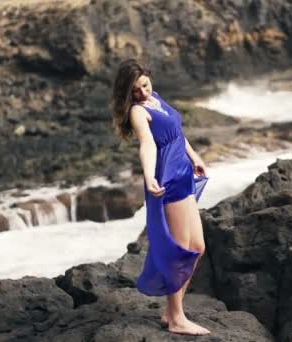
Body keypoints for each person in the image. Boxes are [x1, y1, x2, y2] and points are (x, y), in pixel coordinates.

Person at [110, 59, 211, 336]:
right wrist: (149, 175)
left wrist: (194, 157)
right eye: (135, 91)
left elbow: (177, 132)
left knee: (198, 246)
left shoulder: (156, 98)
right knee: (180, 249)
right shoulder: (138, 113)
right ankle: (177, 317)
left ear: (149, 79)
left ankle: (171, 311)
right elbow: (148, 144)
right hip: (166, 180)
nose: (142, 93)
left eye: (144, 85)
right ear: (127, 94)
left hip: (184, 175)